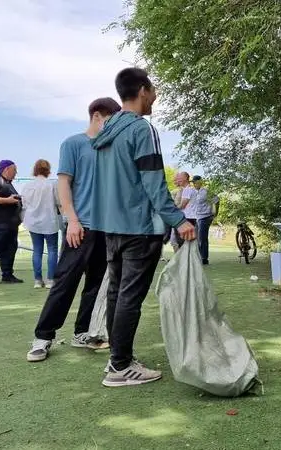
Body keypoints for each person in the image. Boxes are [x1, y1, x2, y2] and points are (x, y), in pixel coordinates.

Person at [89, 68, 196, 387]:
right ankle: (121, 366)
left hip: (112, 227)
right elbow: (153, 184)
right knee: (129, 297)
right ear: (142, 90)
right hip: (139, 227)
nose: (156, 96)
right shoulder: (141, 129)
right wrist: (180, 220)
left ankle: (116, 360)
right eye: (153, 89)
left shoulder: (106, 131)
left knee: (116, 291)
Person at [27, 98, 122, 363]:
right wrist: (73, 220)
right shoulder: (74, 143)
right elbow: (64, 184)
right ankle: (43, 336)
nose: (113, 127)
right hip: (81, 227)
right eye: (111, 121)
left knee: (96, 284)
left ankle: (84, 332)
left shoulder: (112, 148)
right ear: (97, 116)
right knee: (65, 283)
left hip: (108, 229)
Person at [20, 159, 61, 289]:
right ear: (48, 170)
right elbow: (59, 202)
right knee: (52, 250)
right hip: (50, 221)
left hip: (33, 221)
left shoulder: (27, 186)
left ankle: (38, 280)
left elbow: (24, 204)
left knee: (37, 250)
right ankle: (50, 279)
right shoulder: (52, 185)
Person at [190, 175, 219, 265]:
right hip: (195, 217)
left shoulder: (206, 191)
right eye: (193, 182)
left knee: (202, 237)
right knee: (197, 237)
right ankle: (198, 256)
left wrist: (215, 213)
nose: (194, 184)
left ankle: (204, 258)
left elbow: (217, 200)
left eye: (195, 182)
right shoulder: (192, 192)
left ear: (200, 182)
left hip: (205, 216)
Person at [170, 171, 194, 251]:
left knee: (182, 241)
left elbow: (183, 205)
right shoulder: (186, 190)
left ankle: (183, 260)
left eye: (179, 178)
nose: (178, 180)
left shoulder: (187, 190)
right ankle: (183, 260)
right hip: (187, 218)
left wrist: (172, 211)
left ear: (185, 178)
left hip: (186, 218)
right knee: (182, 241)